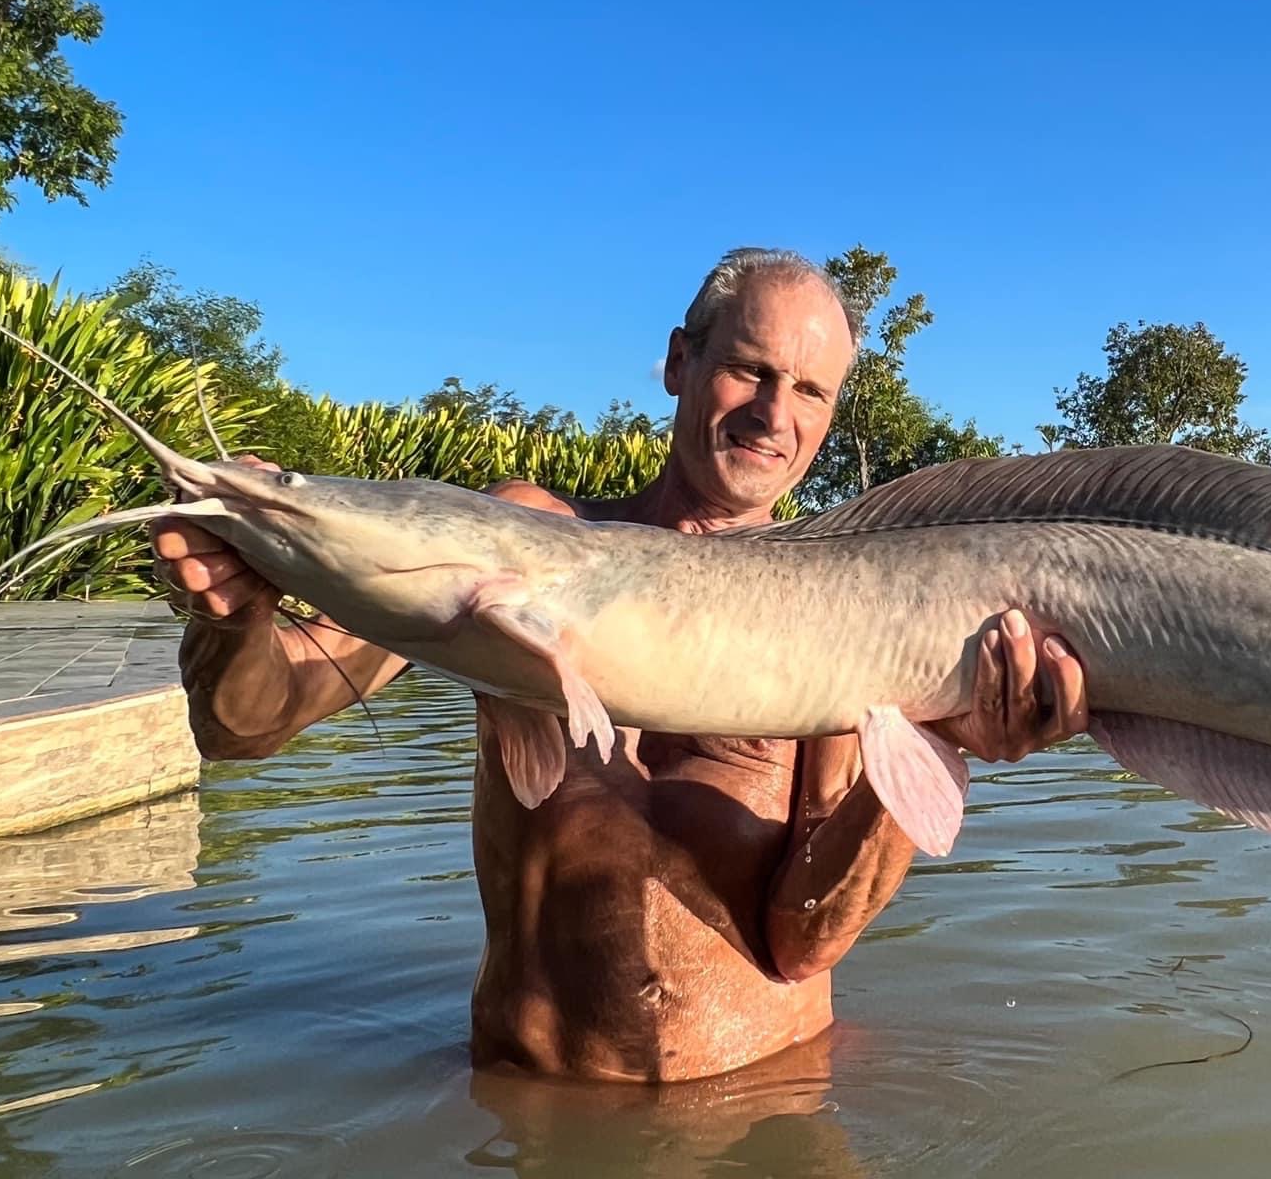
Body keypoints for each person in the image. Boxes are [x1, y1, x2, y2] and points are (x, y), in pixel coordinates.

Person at [149, 248, 1089, 1083]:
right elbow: (243, 727)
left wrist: (932, 738)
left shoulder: (851, 619)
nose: (774, 414)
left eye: (810, 392)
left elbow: (805, 942)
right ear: (680, 361)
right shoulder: (519, 537)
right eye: (749, 369)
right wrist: (234, 617)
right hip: (536, 1106)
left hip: (762, 1108)